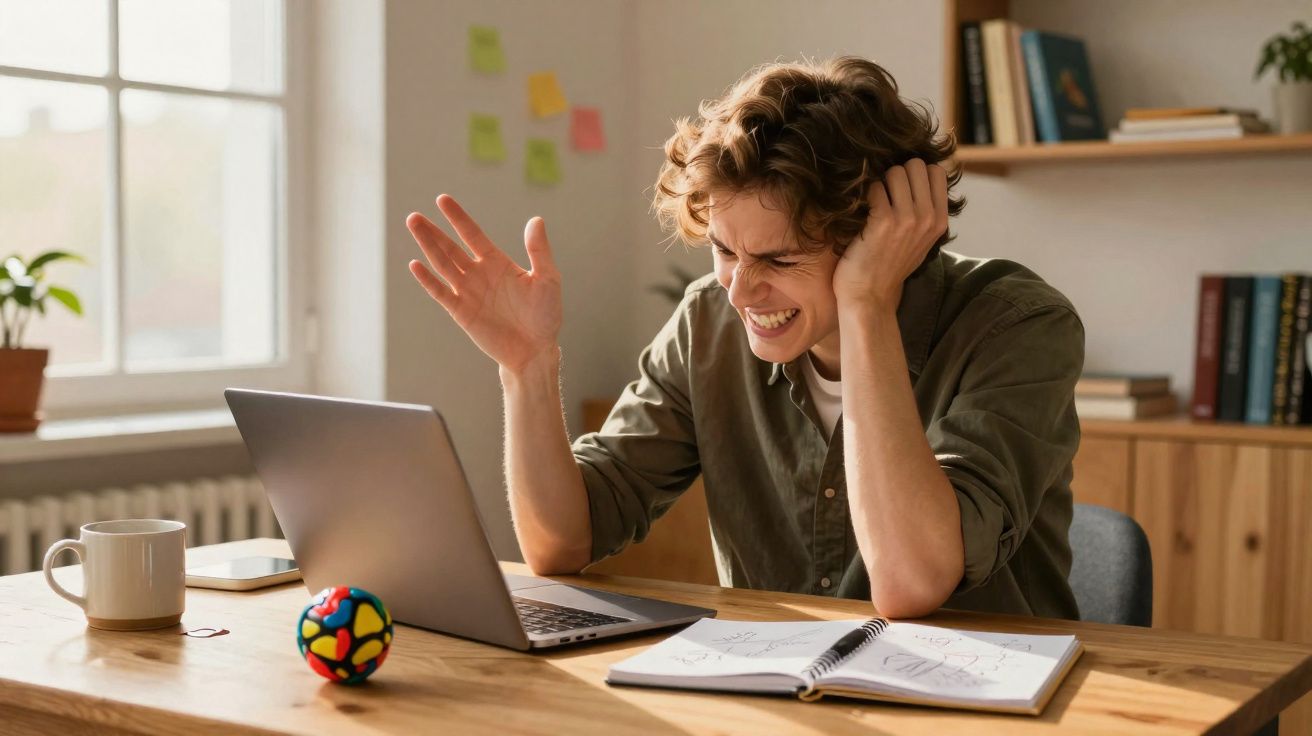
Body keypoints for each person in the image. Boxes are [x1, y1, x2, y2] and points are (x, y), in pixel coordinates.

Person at [405, 56, 1083, 620]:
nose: (740, 290)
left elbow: (909, 582)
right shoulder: (709, 322)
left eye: (780, 261)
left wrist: (867, 304)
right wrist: (528, 366)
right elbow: (562, 543)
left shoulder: (1018, 327)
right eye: (725, 250)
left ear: (882, 237)